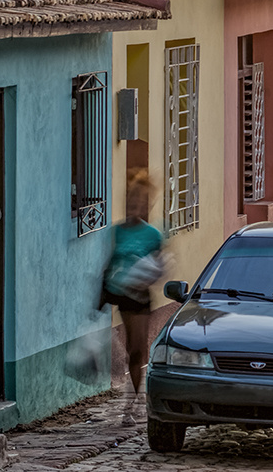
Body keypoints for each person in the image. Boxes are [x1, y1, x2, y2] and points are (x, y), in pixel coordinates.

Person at [100, 169, 164, 420]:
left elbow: (159, 269)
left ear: (147, 205)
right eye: (132, 200)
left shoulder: (153, 235)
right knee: (131, 349)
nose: (136, 205)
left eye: (141, 202)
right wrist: (104, 291)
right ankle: (133, 400)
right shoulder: (117, 232)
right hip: (123, 296)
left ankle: (136, 398)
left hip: (142, 297)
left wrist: (144, 278)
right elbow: (110, 262)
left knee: (139, 349)